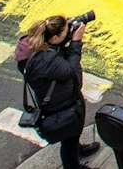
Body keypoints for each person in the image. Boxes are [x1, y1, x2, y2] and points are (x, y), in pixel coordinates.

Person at [15, 15, 97, 169]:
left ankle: (77, 150)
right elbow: (71, 71)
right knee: (69, 139)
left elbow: (57, 54)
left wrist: (66, 36)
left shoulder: (37, 47)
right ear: (53, 38)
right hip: (62, 104)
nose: (68, 32)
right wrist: (76, 42)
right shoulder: (45, 62)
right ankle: (73, 166)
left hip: (57, 99)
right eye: (65, 32)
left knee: (72, 135)